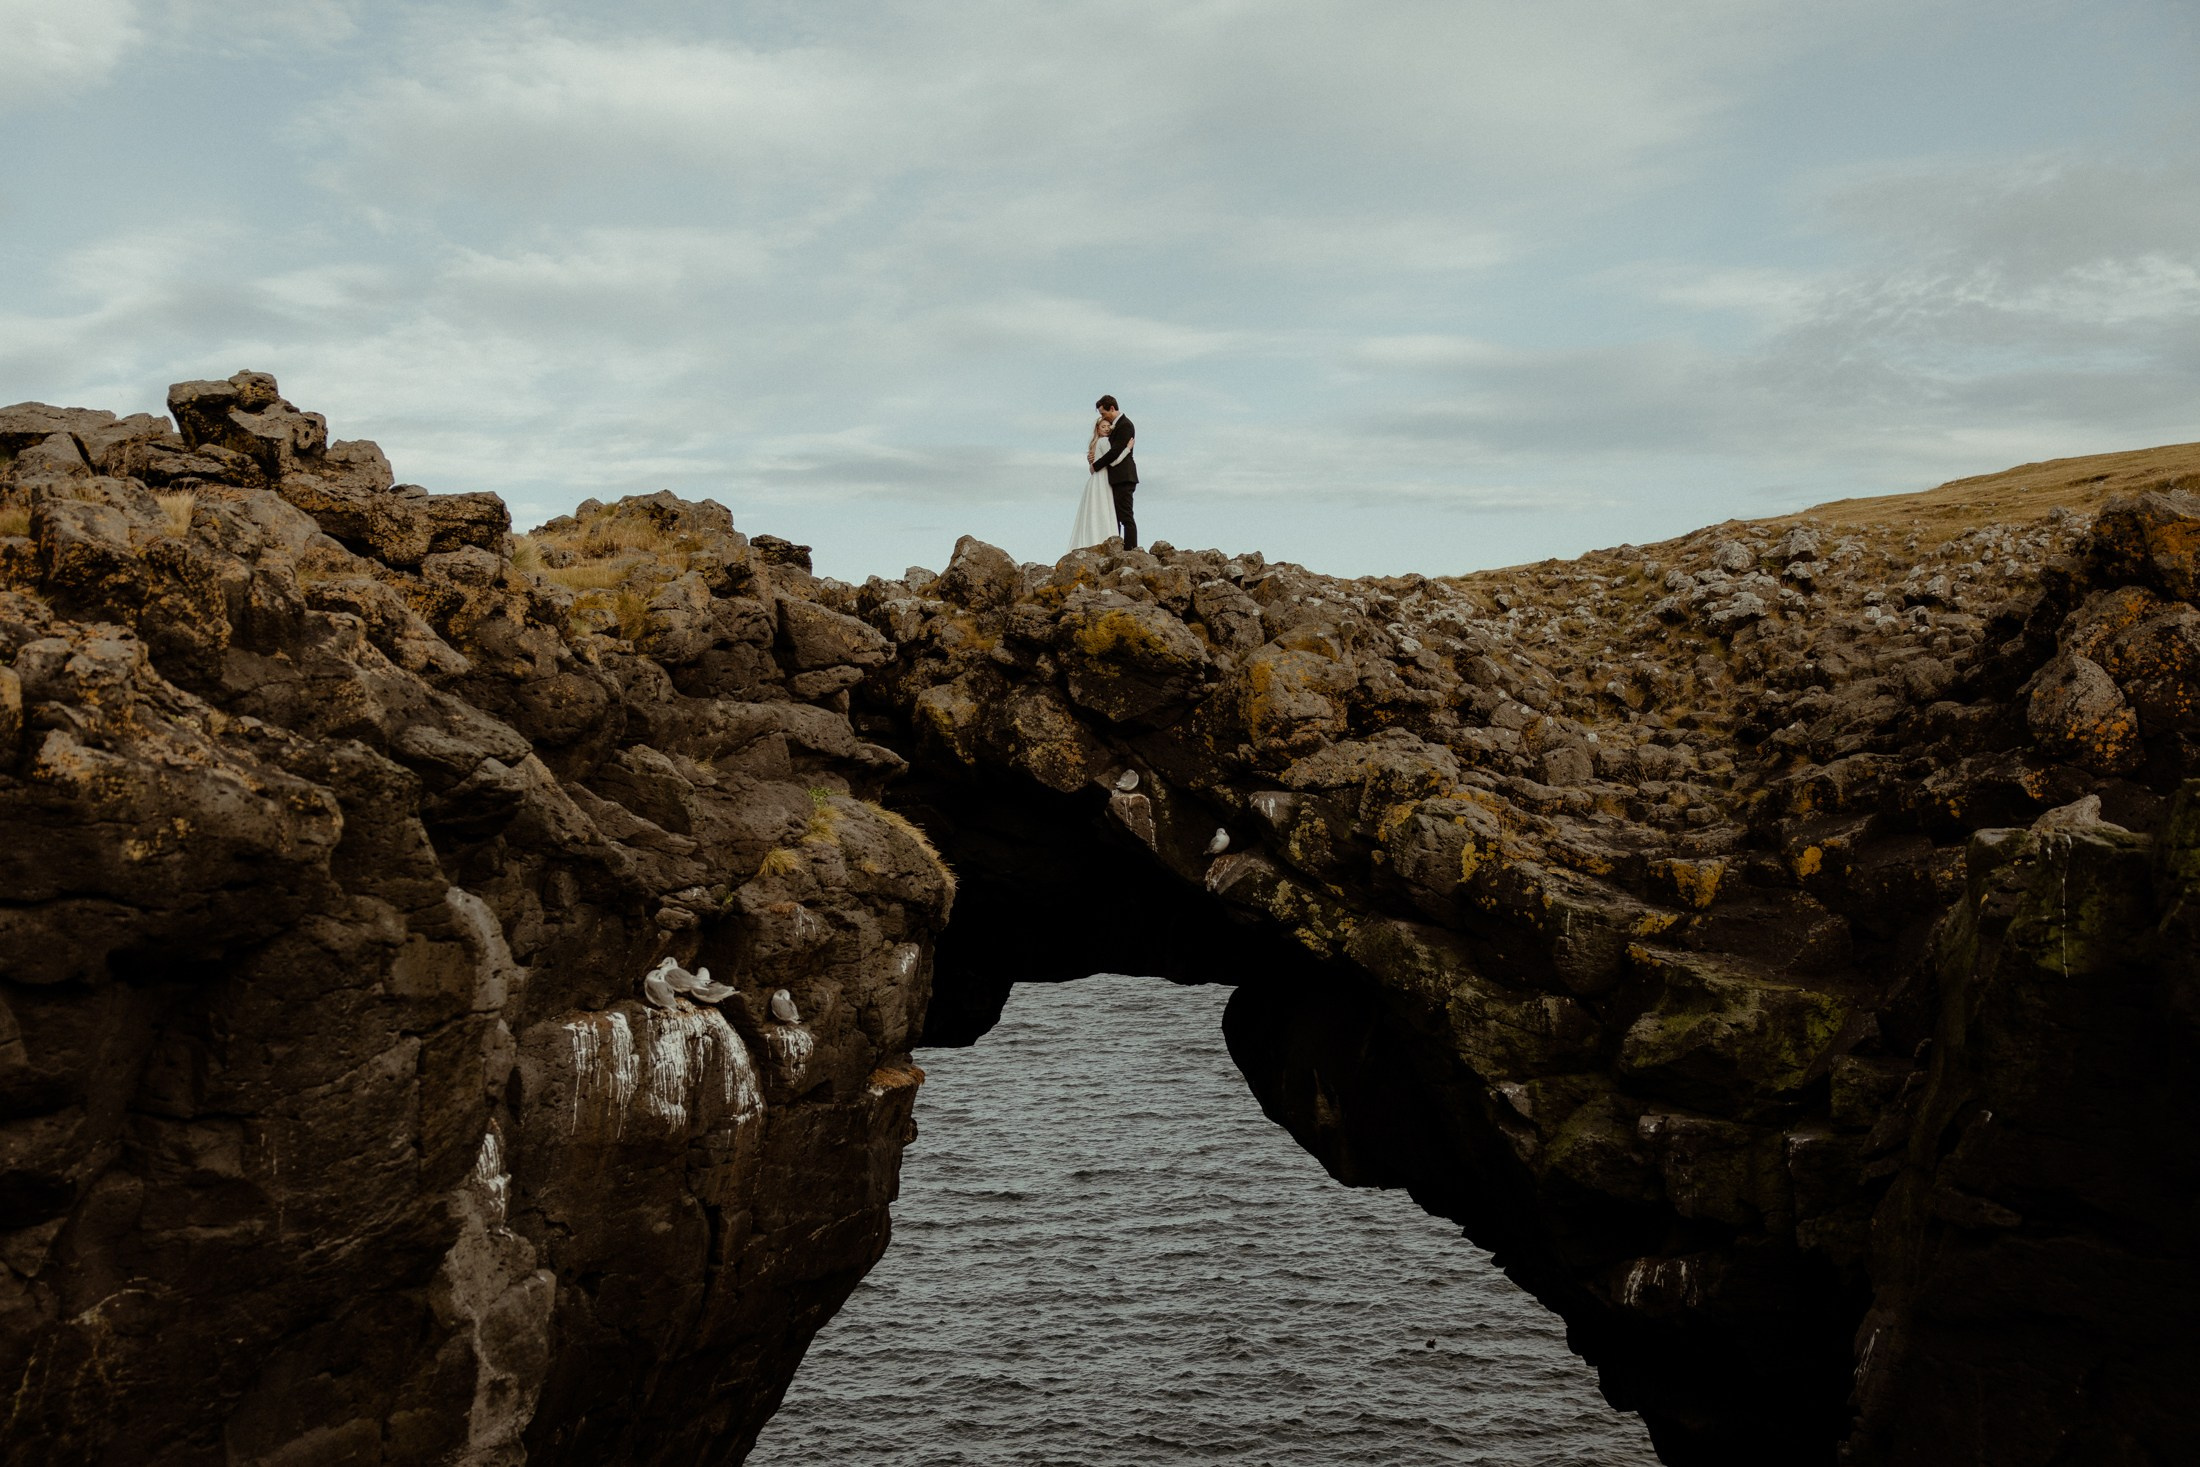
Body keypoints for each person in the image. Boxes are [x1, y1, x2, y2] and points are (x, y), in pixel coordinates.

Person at [1085, 395, 1138, 548]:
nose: (1102, 417)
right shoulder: (1115, 426)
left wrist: (1095, 466)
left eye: (1103, 413)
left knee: (1126, 516)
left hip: (1124, 476)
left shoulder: (1125, 425)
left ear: (1112, 408)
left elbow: (1114, 453)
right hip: (1114, 478)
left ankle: (1130, 550)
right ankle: (1119, 549)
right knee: (1114, 517)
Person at [1069, 406, 1117, 551]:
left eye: (1109, 426)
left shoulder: (1094, 444)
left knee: (1093, 512)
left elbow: (1093, 466)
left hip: (1094, 481)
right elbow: (1113, 460)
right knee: (1104, 510)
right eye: (1103, 426)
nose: (1107, 429)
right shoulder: (1104, 442)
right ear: (1098, 429)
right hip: (1103, 480)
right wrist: (1127, 448)